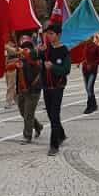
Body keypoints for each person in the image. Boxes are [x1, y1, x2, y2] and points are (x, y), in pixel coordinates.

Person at [39, 23, 71, 156]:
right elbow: (36, 61)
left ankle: (54, 145)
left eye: (51, 33)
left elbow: (66, 70)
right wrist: (39, 52)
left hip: (58, 87)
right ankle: (61, 134)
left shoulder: (64, 51)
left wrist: (52, 67)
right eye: (47, 33)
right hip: (46, 86)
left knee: (54, 114)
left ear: (58, 35)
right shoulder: (46, 50)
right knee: (51, 115)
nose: (49, 36)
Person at [10, 35, 44, 145]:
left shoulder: (34, 59)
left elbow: (37, 66)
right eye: (24, 46)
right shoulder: (20, 59)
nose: (26, 48)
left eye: (28, 46)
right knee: (23, 112)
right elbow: (10, 67)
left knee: (28, 114)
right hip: (21, 90)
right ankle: (38, 126)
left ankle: (27, 136)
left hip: (33, 90)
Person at [82, 35, 99, 114]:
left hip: (92, 70)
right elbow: (84, 57)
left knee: (89, 87)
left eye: (87, 37)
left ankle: (90, 106)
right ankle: (93, 104)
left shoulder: (96, 47)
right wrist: (82, 62)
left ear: (91, 38)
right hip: (84, 70)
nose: (85, 39)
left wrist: (92, 64)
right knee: (87, 88)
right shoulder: (84, 46)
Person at [4, 38, 18, 109]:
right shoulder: (6, 47)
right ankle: (16, 99)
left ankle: (8, 101)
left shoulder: (14, 47)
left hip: (13, 67)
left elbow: (15, 53)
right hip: (7, 68)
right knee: (9, 84)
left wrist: (7, 47)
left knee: (10, 85)